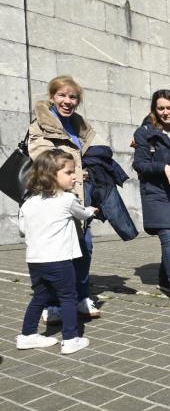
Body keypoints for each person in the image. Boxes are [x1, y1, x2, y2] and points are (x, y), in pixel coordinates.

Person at [27, 75, 102, 324]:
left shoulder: (80, 126)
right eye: (62, 95)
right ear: (52, 97)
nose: (67, 101)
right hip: (52, 197)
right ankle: (52, 303)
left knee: (84, 246)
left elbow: (83, 156)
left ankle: (80, 296)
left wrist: (86, 169)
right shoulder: (40, 124)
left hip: (78, 195)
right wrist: (71, 168)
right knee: (54, 252)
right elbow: (40, 156)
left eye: (73, 97)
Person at [16, 150, 96, 354]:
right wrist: (91, 211)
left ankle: (27, 335)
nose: (74, 177)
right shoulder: (66, 199)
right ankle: (70, 339)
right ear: (52, 175)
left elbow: (23, 230)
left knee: (39, 297)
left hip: (35, 260)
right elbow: (83, 213)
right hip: (59, 260)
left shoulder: (28, 203)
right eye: (69, 172)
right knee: (68, 297)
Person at [132, 90, 170, 304]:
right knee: (167, 239)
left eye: (169, 107)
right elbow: (139, 164)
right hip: (156, 193)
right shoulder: (144, 133)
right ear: (154, 110)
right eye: (161, 108)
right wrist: (164, 167)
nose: (165, 112)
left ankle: (163, 279)